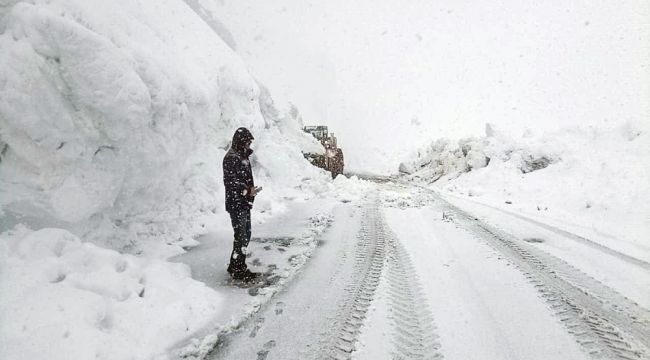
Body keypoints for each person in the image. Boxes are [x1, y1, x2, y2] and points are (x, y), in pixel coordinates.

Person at [223, 127, 263, 281]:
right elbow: (230, 181)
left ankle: (235, 265)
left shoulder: (242, 156)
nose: (249, 145)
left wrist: (250, 191)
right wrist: (246, 190)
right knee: (241, 236)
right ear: (241, 141)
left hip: (243, 202)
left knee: (245, 235)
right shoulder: (231, 158)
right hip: (236, 203)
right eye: (247, 141)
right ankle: (239, 269)